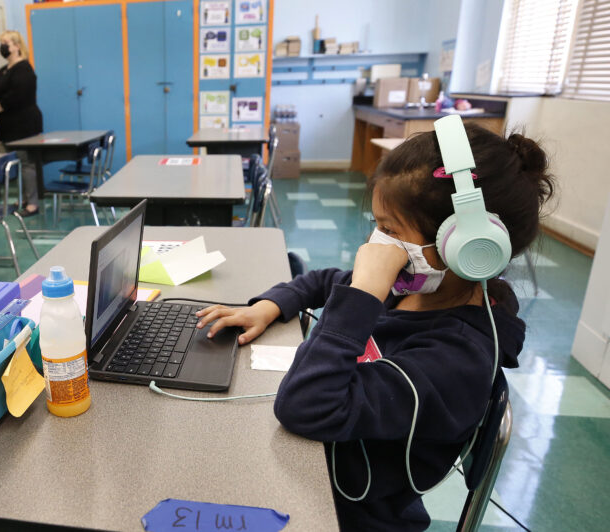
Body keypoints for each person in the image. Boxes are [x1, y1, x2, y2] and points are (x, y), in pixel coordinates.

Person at [195, 124, 555, 531]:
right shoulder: (413, 288)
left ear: (466, 246)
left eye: (391, 231)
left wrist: (364, 296)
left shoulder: (456, 361)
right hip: (314, 464)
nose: (376, 245)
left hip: (344, 513)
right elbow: (325, 280)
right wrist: (270, 304)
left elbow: (303, 407)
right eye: (378, 225)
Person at [0, 30, 43, 217]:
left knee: (27, 163)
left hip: (24, 124)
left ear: (17, 46)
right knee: (16, 163)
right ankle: (23, 198)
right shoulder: (3, 70)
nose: (3, 46)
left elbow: (18, 95)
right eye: (1, 42)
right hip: (6, 125)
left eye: (6, 43)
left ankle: (33, 203)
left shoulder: (24, 68)